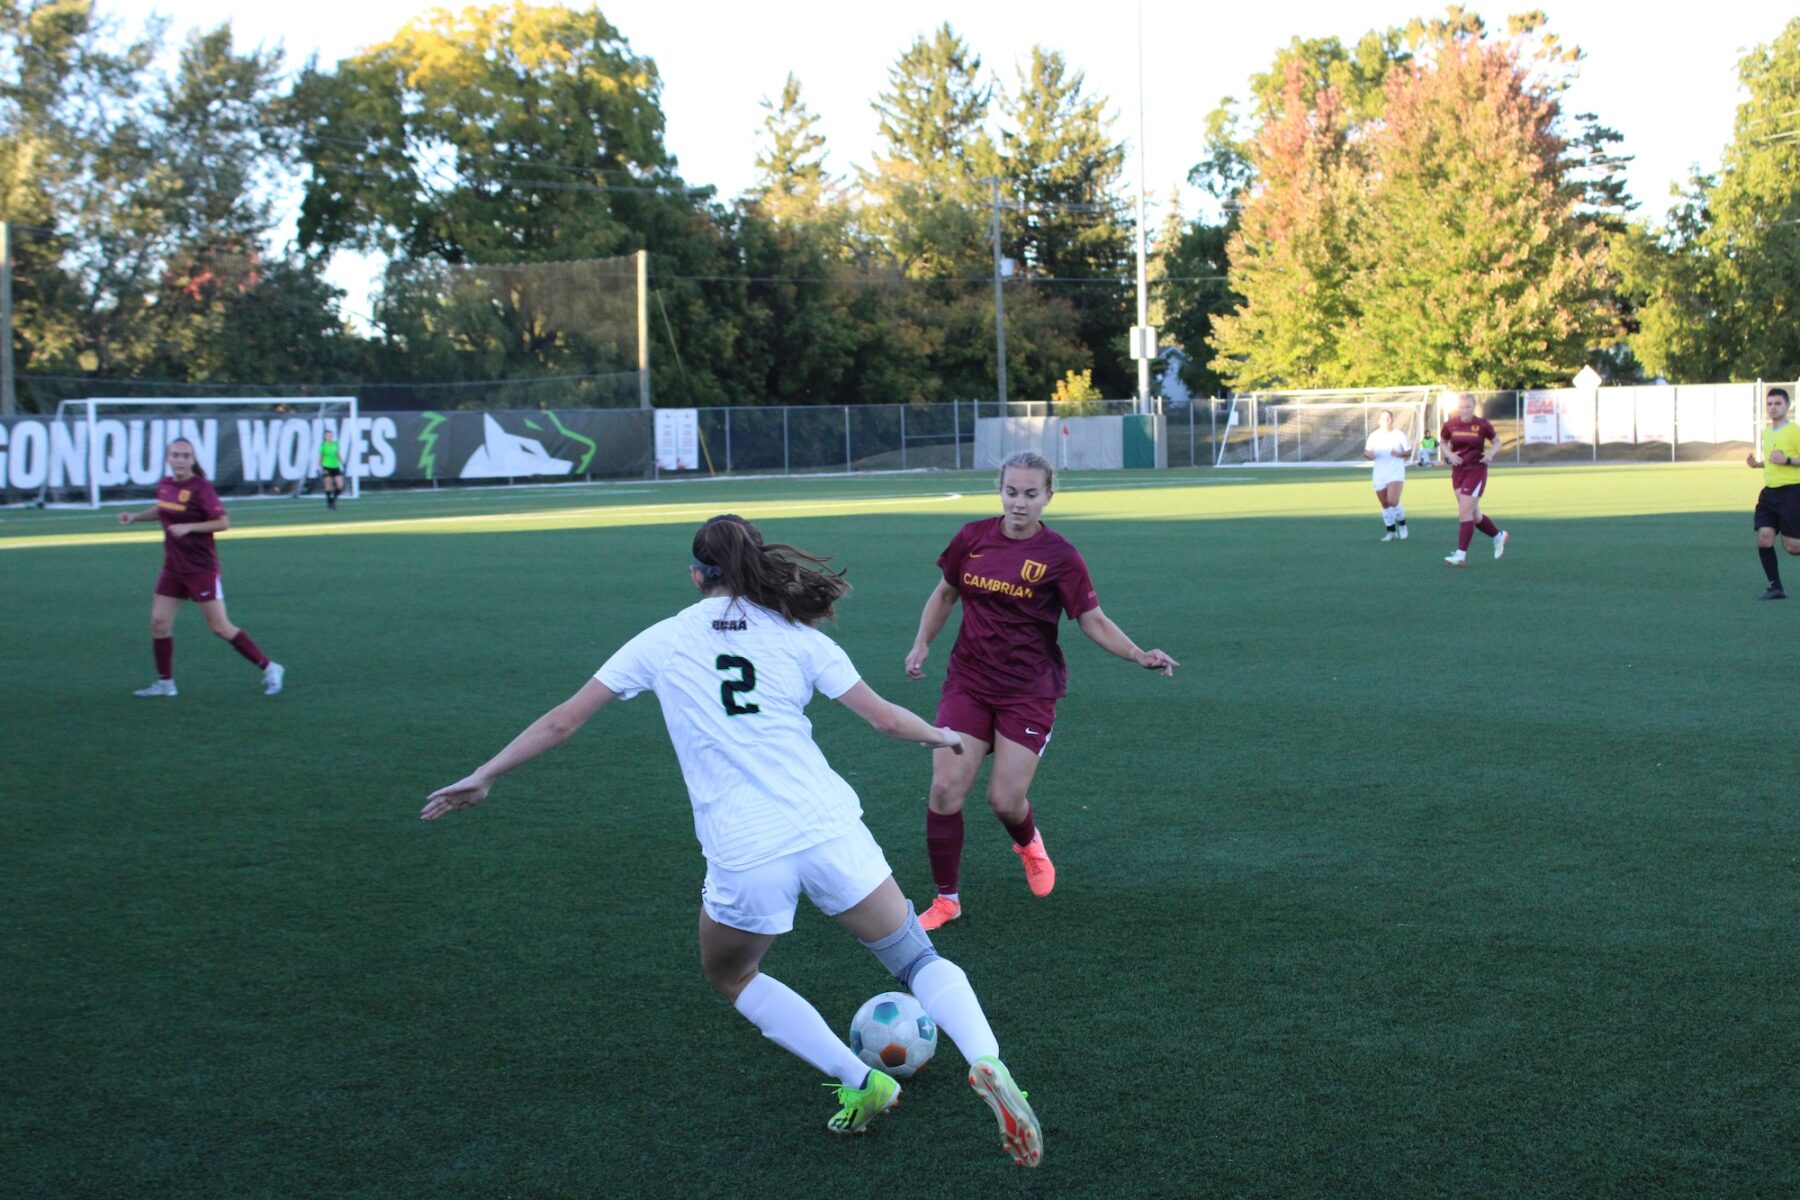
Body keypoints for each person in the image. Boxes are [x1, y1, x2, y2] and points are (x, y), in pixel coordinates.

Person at [421, 515, 1044, 1167]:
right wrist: (940, 736)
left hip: (747, 849)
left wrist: (486, 774)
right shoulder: (798, 636)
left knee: (733, 973)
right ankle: (988, 1061)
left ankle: (862, 1081)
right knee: (914, 958)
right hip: (827, 827)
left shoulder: (661, 641)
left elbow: (562, 722)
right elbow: (886, 719)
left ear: (696, 576)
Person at [903, 451, 1178, 931]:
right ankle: (947, 899)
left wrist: (1138, 654)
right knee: (945, 788)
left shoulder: (1060, 556)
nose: (1019, 503)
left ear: (1048, 496)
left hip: (1028, 690)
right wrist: (922, 642)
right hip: (969, 683)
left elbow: (1092, 619)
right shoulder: (971, 538)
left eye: (1030, 494)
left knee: (1004, 801)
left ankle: (1029, 844)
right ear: (1000, 490)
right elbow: (946, 593)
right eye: (1011, 492)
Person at [119, 437, 284, 697]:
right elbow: (163, 509)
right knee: (159, 623)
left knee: (219, 627)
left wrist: (190, 527)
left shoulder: (201, 488)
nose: (180, 460)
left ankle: (270, 667)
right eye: (175, 455)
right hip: (173, 567)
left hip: (201, 568)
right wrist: (135, 517)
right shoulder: (166, 485)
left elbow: (222, 522)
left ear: (193, 459)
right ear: (168, 458)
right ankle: (165, 684)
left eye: (185, 456)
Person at [1438, 394, 1509, 566]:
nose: (1465, 410)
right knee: (1474, 516)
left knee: (1464, 513)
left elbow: (1497, 442)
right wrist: (1450, 455)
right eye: (1462, 407)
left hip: (1476, 471)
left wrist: (1490, 454)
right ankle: (1498, 536)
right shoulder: (1450, 424)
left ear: (1473, 406)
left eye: (1468, 407)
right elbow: (1443, 441)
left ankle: (1460, 555)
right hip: (1458, 472)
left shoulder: (1482, 424)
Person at [1747, 386, 1800, 601]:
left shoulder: (1795, 431)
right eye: (1769, 404)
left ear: (1788, 406)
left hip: (1792, 492)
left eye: (1778, 403)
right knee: (1765, 538)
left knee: (1792, 547)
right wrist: (1758, 464)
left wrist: (1786, 460)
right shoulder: (1767, 432)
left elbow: (1783, 460)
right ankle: (1775, 587)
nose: (1773, 407)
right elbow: (1773, 462)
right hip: (1770, 493)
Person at [1363, 409, 1411, 541]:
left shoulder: (1399, 435)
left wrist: (1399, 454)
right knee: (1384, 503)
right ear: (1379, 421)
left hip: (1395, 471)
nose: (1385, 421)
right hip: (1379, 473)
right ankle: (1391, 531)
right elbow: (1367, 452)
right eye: (1383, 418)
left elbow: (1408, 451)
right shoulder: (1374, 436)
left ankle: (1402, 524)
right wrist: (1368, 455)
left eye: (1388, 418)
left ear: (1392, 420)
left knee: (1392, 501)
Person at [319, 428, 345, 510]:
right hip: (327, 467)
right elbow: (320, 457)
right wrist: (319, 467)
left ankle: (333, 500)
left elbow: (337, 454)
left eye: (330, 435)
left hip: (336, 467)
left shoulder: (335, 444)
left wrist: (342, 463)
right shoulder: (323, 446)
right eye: (327, 435)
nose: (329, 437)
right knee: (328, 485)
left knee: (340, 485)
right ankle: (329, 503)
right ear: (325, 436)